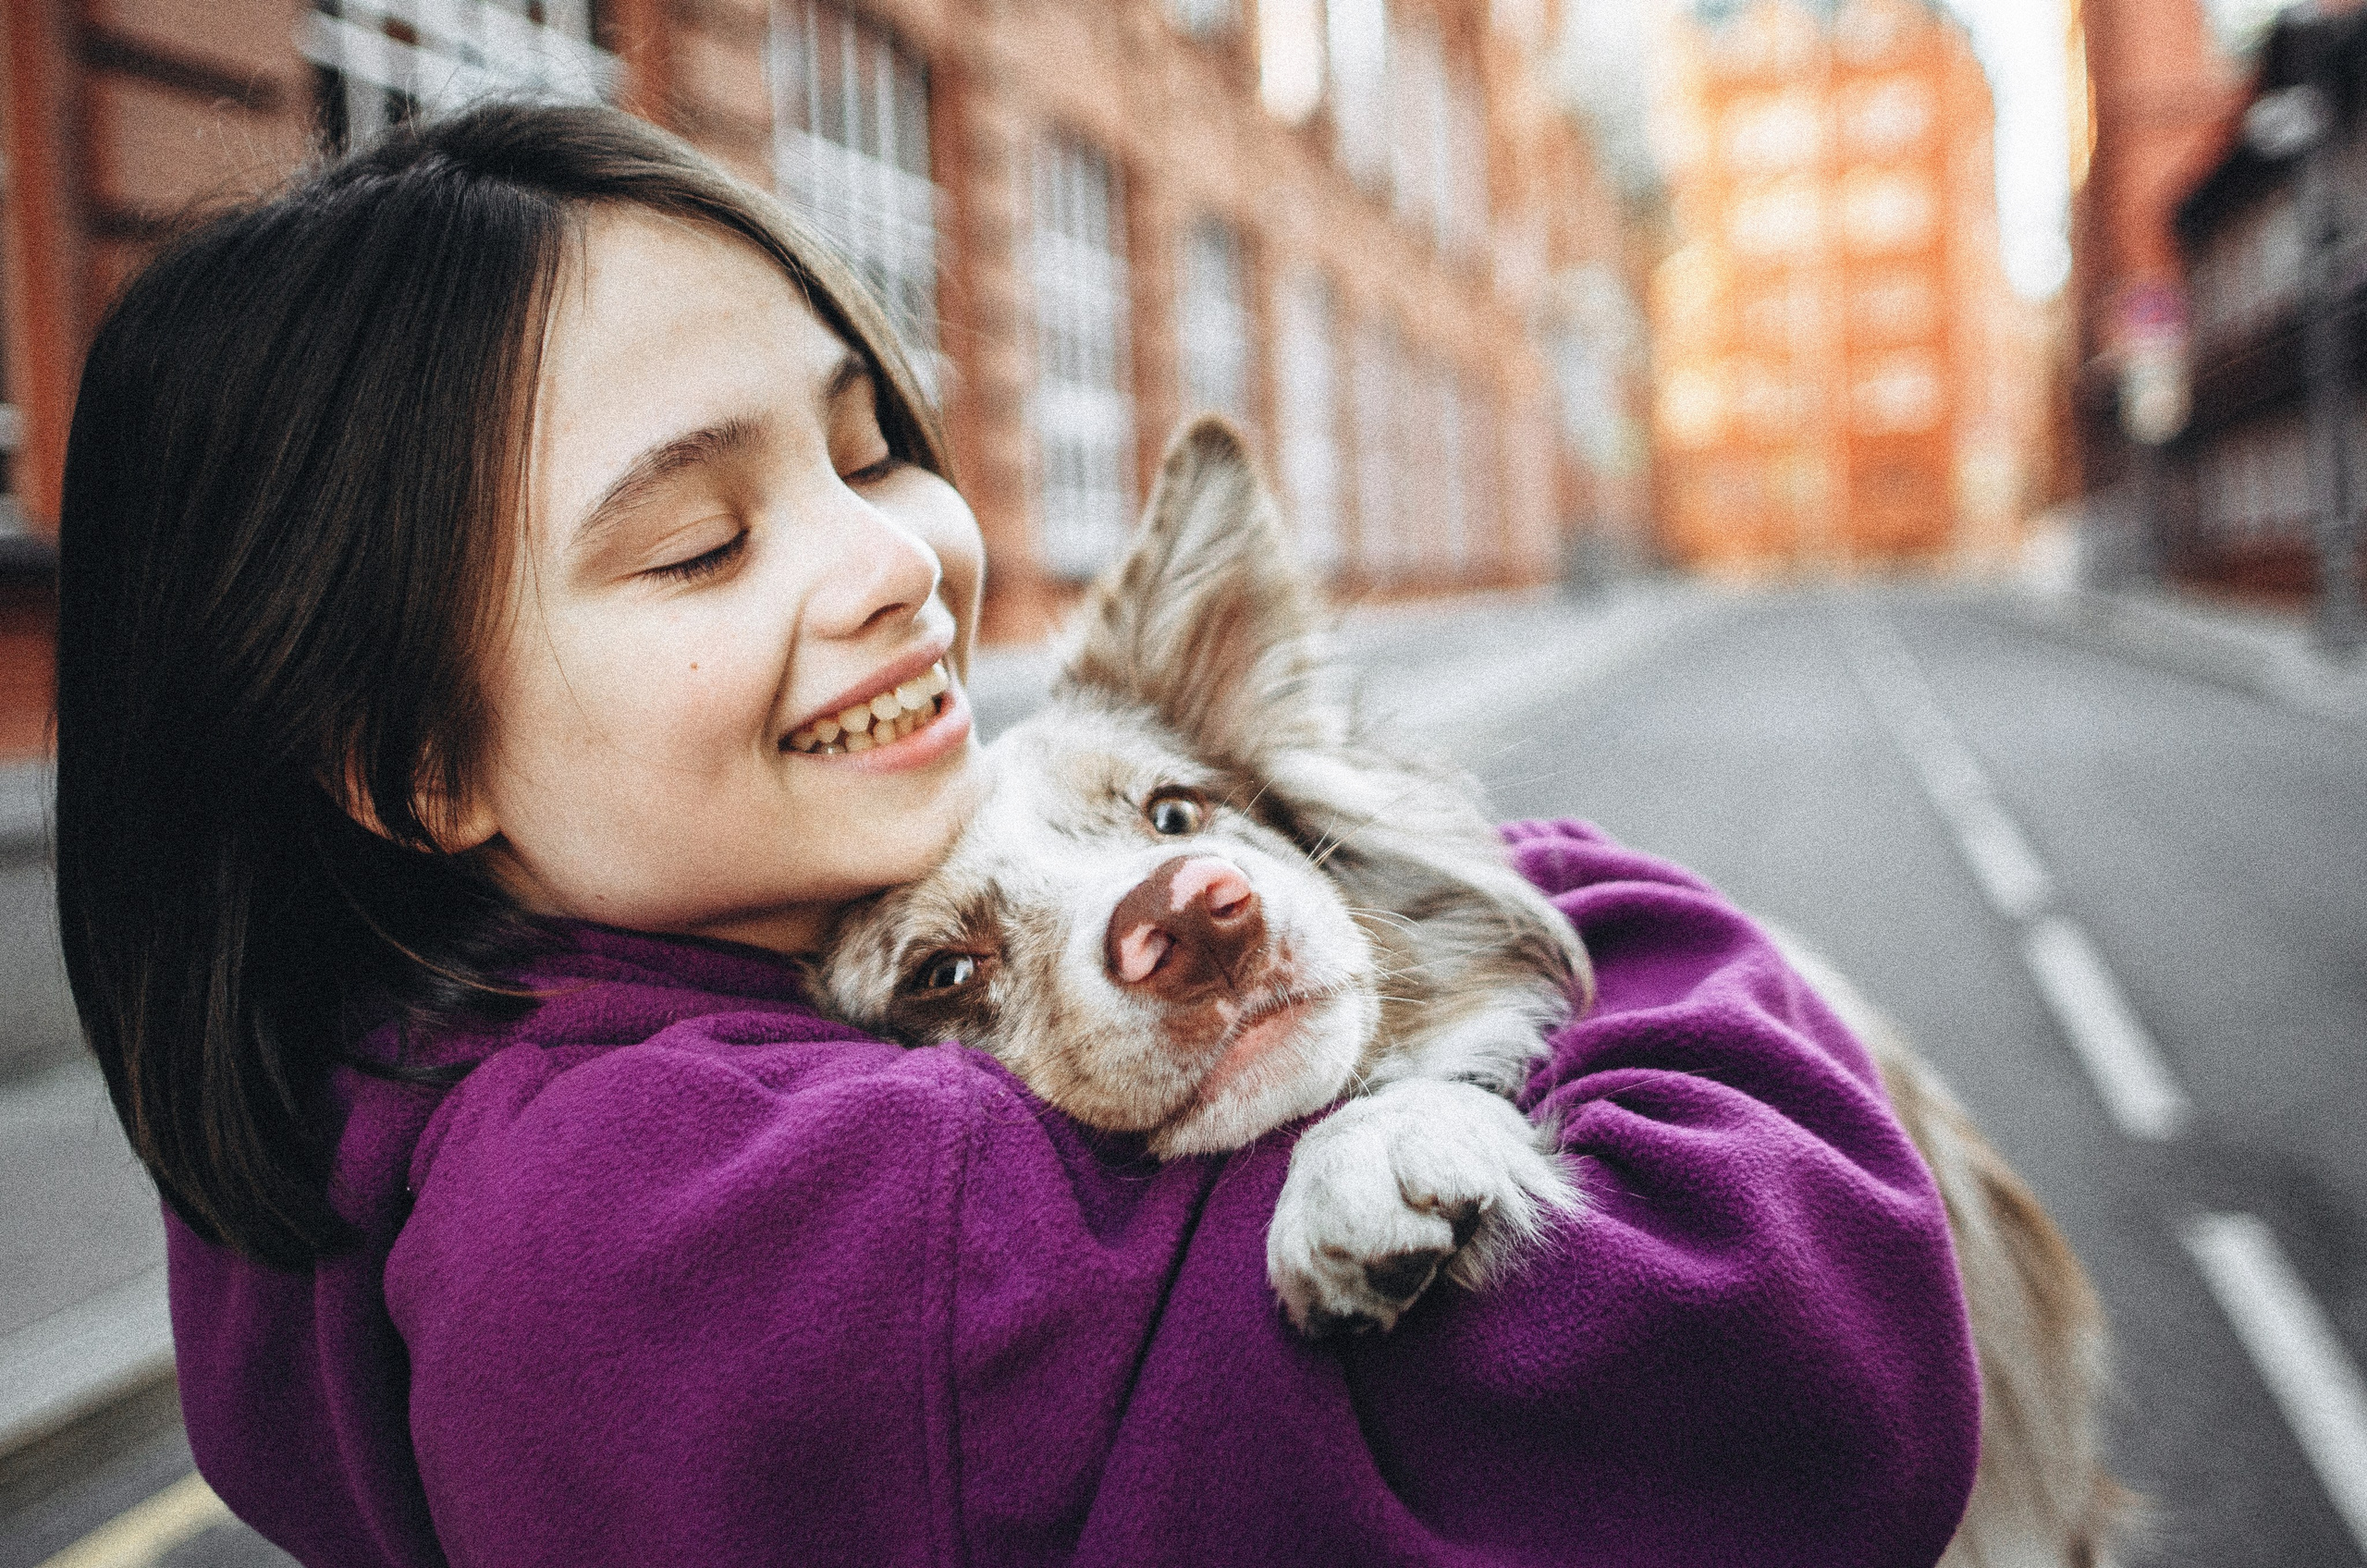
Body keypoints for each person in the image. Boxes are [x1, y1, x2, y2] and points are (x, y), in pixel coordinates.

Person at [54, 104, 1977, 1567]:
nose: (891, 562)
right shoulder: (713, 1225)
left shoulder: (408, 1073)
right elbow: (1807, 1380)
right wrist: (1571, 893)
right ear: (406, 762)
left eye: (869, 441)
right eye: (700, 541)